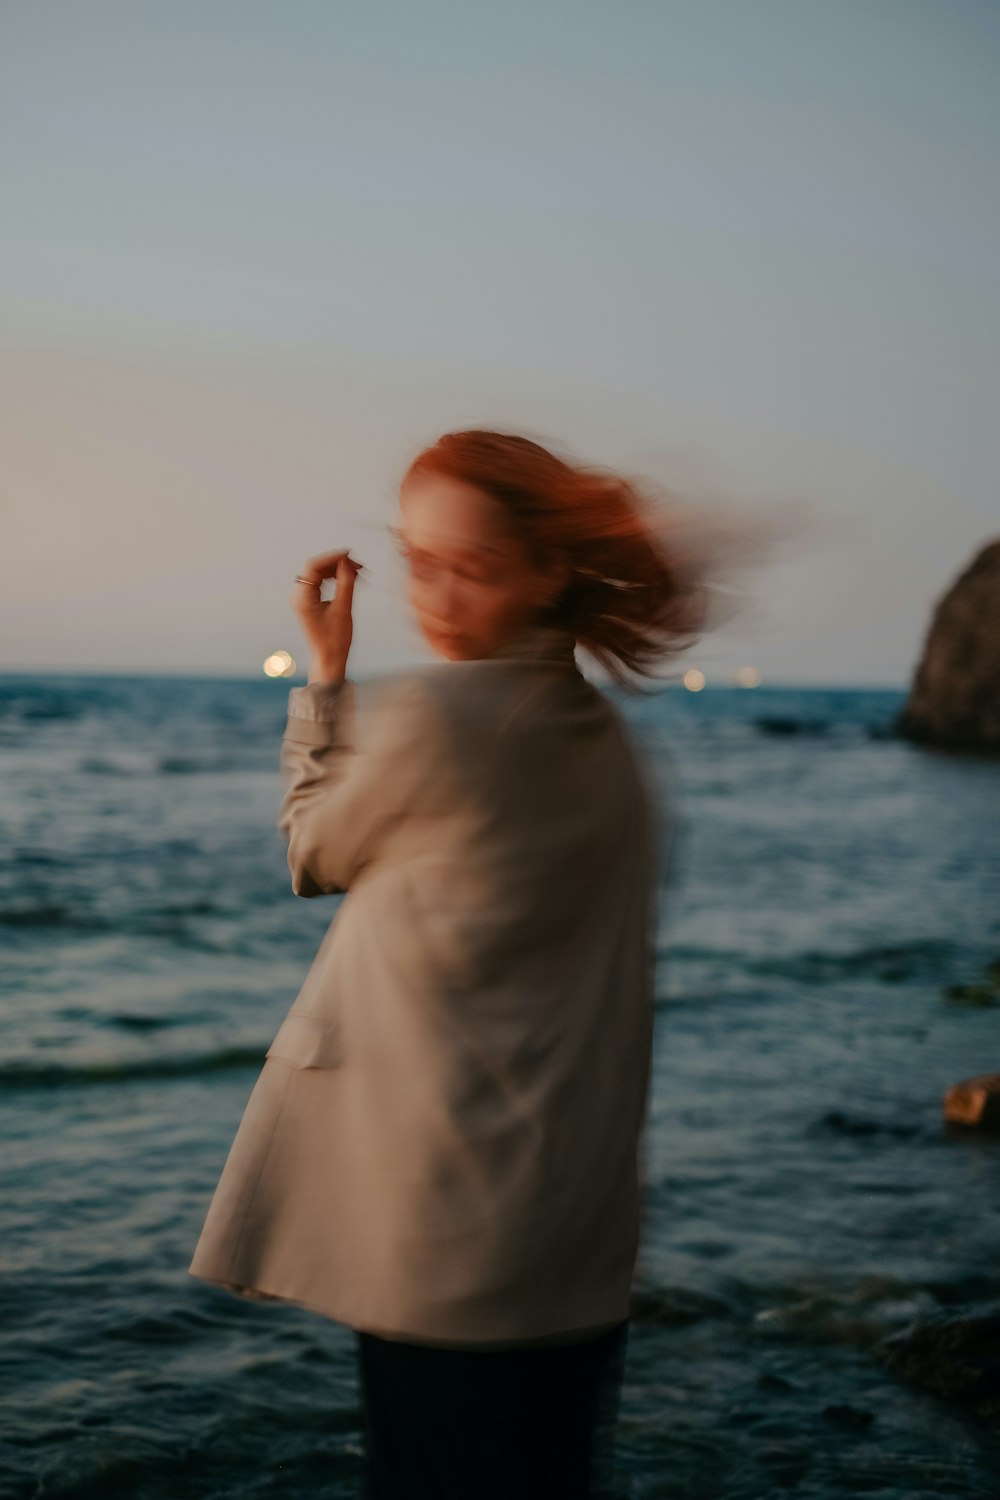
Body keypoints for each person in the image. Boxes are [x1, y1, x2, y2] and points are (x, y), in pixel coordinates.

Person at [188, 428, 714, 1498]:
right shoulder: (614, 748)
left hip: (445, 1249)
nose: (438, 595)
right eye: (420, 562)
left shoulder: (436, 720)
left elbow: (309, 853)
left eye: (472, 567)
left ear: (549, 568)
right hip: (573, 1247)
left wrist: (325, 681)